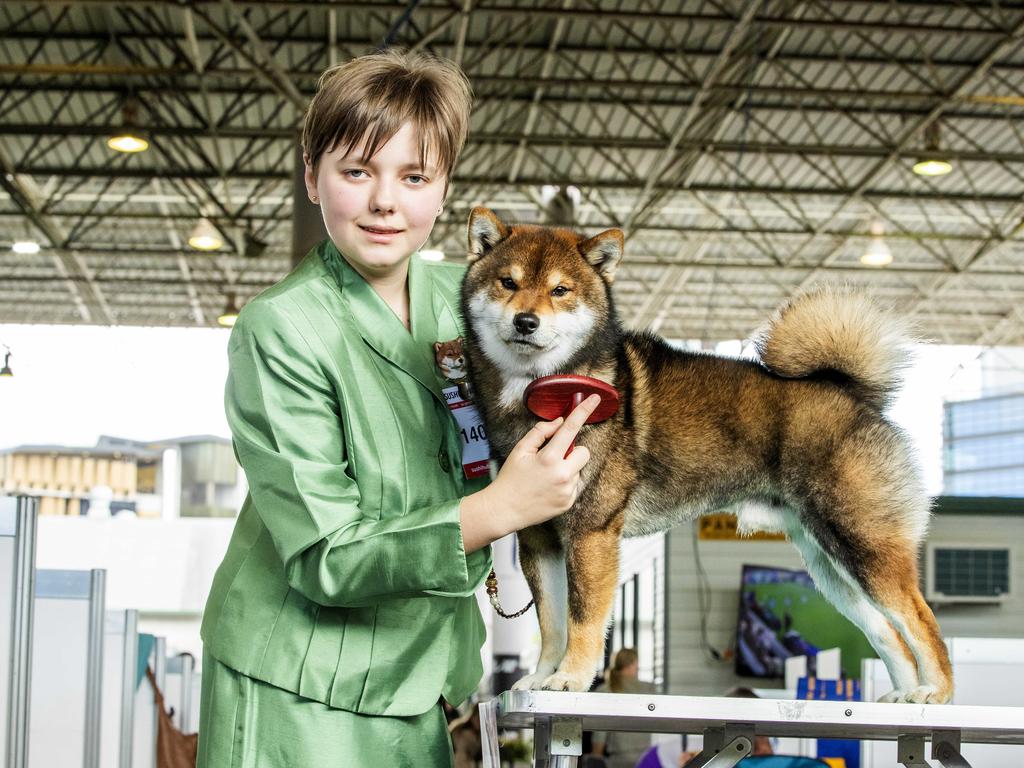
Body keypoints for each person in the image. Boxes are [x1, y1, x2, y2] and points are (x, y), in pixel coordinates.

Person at [196, 49, 600, 767]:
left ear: (443, 191)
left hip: (422, 684)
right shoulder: (282, 330)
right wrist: (503, 506)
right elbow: (328, 555)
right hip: (300, 684)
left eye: (415, 176)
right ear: (312, 177)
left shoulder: (478, 299)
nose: (387, 201)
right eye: (357, 171)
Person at [589, 649, 658, 768]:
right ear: (633, 664)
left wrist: (596, 756)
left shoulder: (606, 690)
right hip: (646, 758)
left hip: (618, 759)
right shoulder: (648, 689)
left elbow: (600, 730)